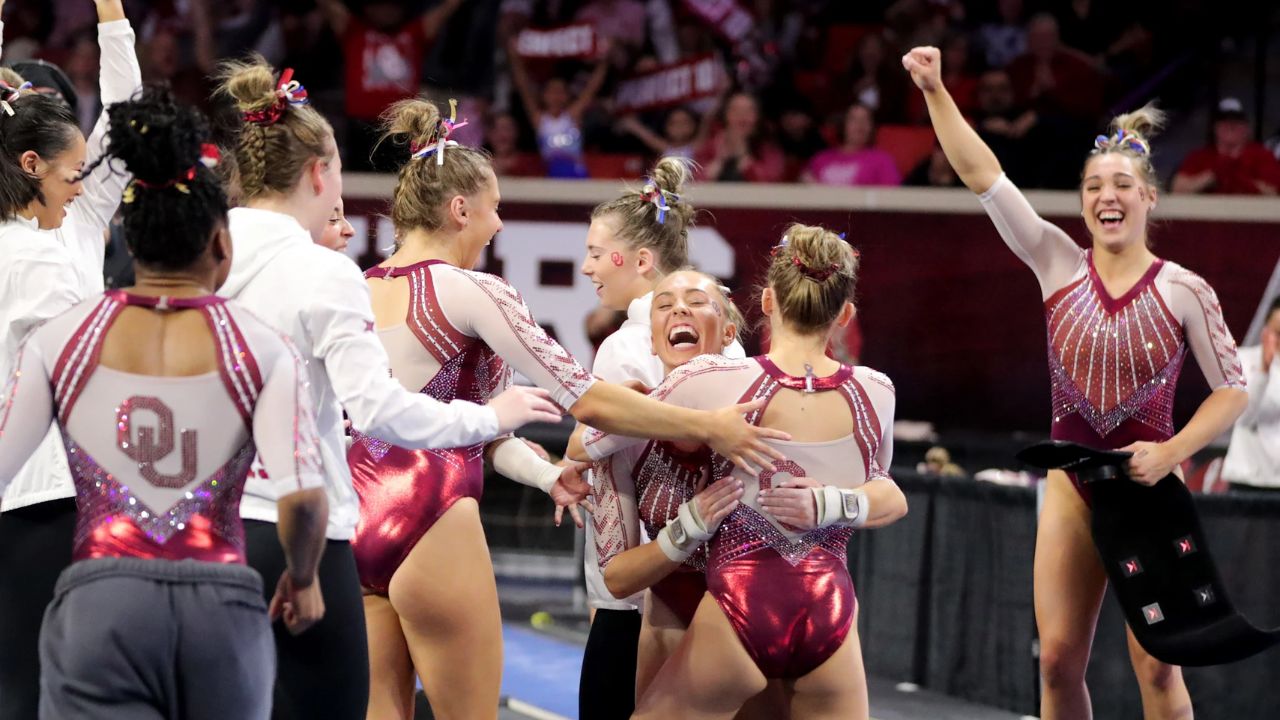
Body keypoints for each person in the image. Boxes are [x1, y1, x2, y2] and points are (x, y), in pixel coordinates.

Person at [351, 97, 788, 720]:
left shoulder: (360, 287)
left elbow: (478, 426)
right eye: (495, 208)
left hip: (356, 515)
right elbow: (580, 394)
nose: (499, 224)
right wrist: (703, 423)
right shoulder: (473, 289)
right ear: (460, 210)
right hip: (431, 512)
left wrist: (547, 473)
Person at [903, 45, 1248, 720]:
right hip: (1071, 484)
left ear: (1148, 196)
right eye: (1093, 186)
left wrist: (1173, 452)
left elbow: (1233, 390)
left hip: (1149, 487)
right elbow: (985, 176)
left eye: (1121, 185)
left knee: (1157, 666)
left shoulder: (1183, 289)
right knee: (1058, 662)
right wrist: (936, 91)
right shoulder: (1055, 262)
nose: (1106, 197)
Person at [215, 58, 561, 720]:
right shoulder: (337, 274)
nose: (500, 225)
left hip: (241, 521)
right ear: (318, 174)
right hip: (370, 511)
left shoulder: (213, 259)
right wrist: (488, 417)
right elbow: (378, 409)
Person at [0, 84, 329, 719]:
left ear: (134, 245)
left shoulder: (64, 340)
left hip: (101, 606)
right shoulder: (260, 347)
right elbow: (304, 498)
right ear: (221, 246)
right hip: (222, 609)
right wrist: (306, 576)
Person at [582, 224, 909, 719]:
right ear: (845, 315)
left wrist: (564, 466)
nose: (680, 314)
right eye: (666, 306)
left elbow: (592, 419)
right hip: (829, 606)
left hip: (741, 602)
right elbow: (886, 490)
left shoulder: (710, 380)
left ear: (767, 303)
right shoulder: (876, 391)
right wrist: (834, 503)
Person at [0, 2, 141, 717]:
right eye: (69, 171)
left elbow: (125, 111)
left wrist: (112, 11)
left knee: (56, 682)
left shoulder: (80, 224)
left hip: (59, 487)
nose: (85, 183)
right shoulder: (26, 239)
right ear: (28, 161)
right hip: (31, 492)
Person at [574, 158, 744, 719]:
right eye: (669, 307)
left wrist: (587, 443)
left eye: (598, 253)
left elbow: (587, 447)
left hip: (669, 594)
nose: (587, 266)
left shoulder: (629, 345)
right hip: (666, 584)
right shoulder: (656, 341)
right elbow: (589, 448)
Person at [508, 36, 610, 178]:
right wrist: (514, 57)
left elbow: (592, 88)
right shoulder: (539, 119)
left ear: (567, 96)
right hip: (550, 172)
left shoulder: (572, 116)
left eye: (560, 91)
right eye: (552, 91)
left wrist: (604, 60)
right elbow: (523, 86)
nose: (556, 95)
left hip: (576, 172)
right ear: (544, 95)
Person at [1221, 296, 1280, 492]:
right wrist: (1264, 368)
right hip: (1245, 481)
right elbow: (1244, 418)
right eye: (1278, 332)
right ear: (1265, 331)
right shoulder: (1242, 360)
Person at [1172, 98, 1280, 196]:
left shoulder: (1263, 156)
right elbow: (1177, 190)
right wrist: (1212, 175)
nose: (1230, 125)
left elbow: (1274, 193)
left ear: (1247, 127)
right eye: (1224, 121)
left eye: (1236, 121)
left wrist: (1241, 179)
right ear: (1214, 127)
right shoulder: (1199, 157)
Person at [802, 103, 901, 187]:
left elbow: (892, 199)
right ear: (843, 125)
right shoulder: (820, 159)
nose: (860, 124)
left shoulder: (882, 160)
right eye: (853, 119)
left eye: (866, 119)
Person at [695, 91, 785, 183]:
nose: (742, 116)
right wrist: (719, 162)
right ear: (725, 115)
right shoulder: (709, 147)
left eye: (748, 111)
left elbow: (772, 184)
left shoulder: (769, 149)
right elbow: (694, 183)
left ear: (758, 117)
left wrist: (744, 158)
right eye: (736, 110)